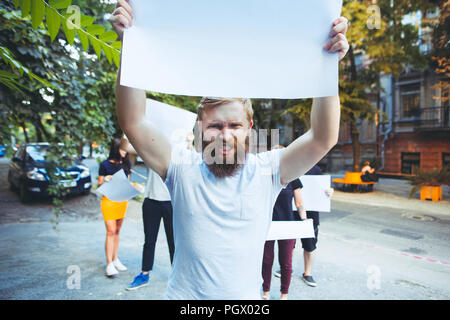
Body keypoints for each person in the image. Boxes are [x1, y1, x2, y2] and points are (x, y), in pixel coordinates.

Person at [111, 1, 349, 299]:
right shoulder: (180, 167)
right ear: (199, 128)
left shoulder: (268, 171)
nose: (225, 136)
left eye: (234, 126)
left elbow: (323, 138)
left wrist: (328, 64)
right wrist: (130, 47)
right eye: (215, 127)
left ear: (249, 126)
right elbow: (132, 120)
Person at [119, 136, 176, 291]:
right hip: (151, 201)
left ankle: (178, 275)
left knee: (174, 241)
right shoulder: (150, 151)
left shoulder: (178, 150)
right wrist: (127, 132)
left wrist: (190, 141)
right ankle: (144, 275)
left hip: (171, 202)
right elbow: (125, 146)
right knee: (149, 241)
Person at [262, 147, 307, 300]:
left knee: (286, 262)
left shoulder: (293, 176)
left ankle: (284, 294)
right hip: (268, 224)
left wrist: (304, 220)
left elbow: (299, 202)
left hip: (288, 225)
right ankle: (266, 292)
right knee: (266, 260)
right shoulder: (265, 176)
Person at [98, 138, 132, 277]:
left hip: (121, 200)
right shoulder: (104, 165)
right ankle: (109, 264)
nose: (125, 152)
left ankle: (115, 258)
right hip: (108, 201)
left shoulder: (126, 163)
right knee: (110, 231)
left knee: (117, 231)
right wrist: (106, 179)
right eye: (122, 149)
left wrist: (134, 188)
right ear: (115, 149)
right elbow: (99, 185)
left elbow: (127, 183)